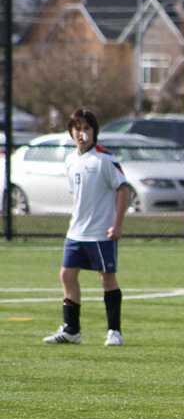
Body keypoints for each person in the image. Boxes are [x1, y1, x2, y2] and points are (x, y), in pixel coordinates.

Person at [43, 108, 129, 346]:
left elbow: (123, 190)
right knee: (67, 275)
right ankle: (71, 330)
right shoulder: (71, 160)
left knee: (107, 278)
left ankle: (114, 332)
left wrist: (117, 225)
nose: (82, 133)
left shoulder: (105, 159)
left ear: (94, 132)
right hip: (76, 232)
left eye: (87, 129)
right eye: (77, 129)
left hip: (101, 232)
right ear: (71, 132)